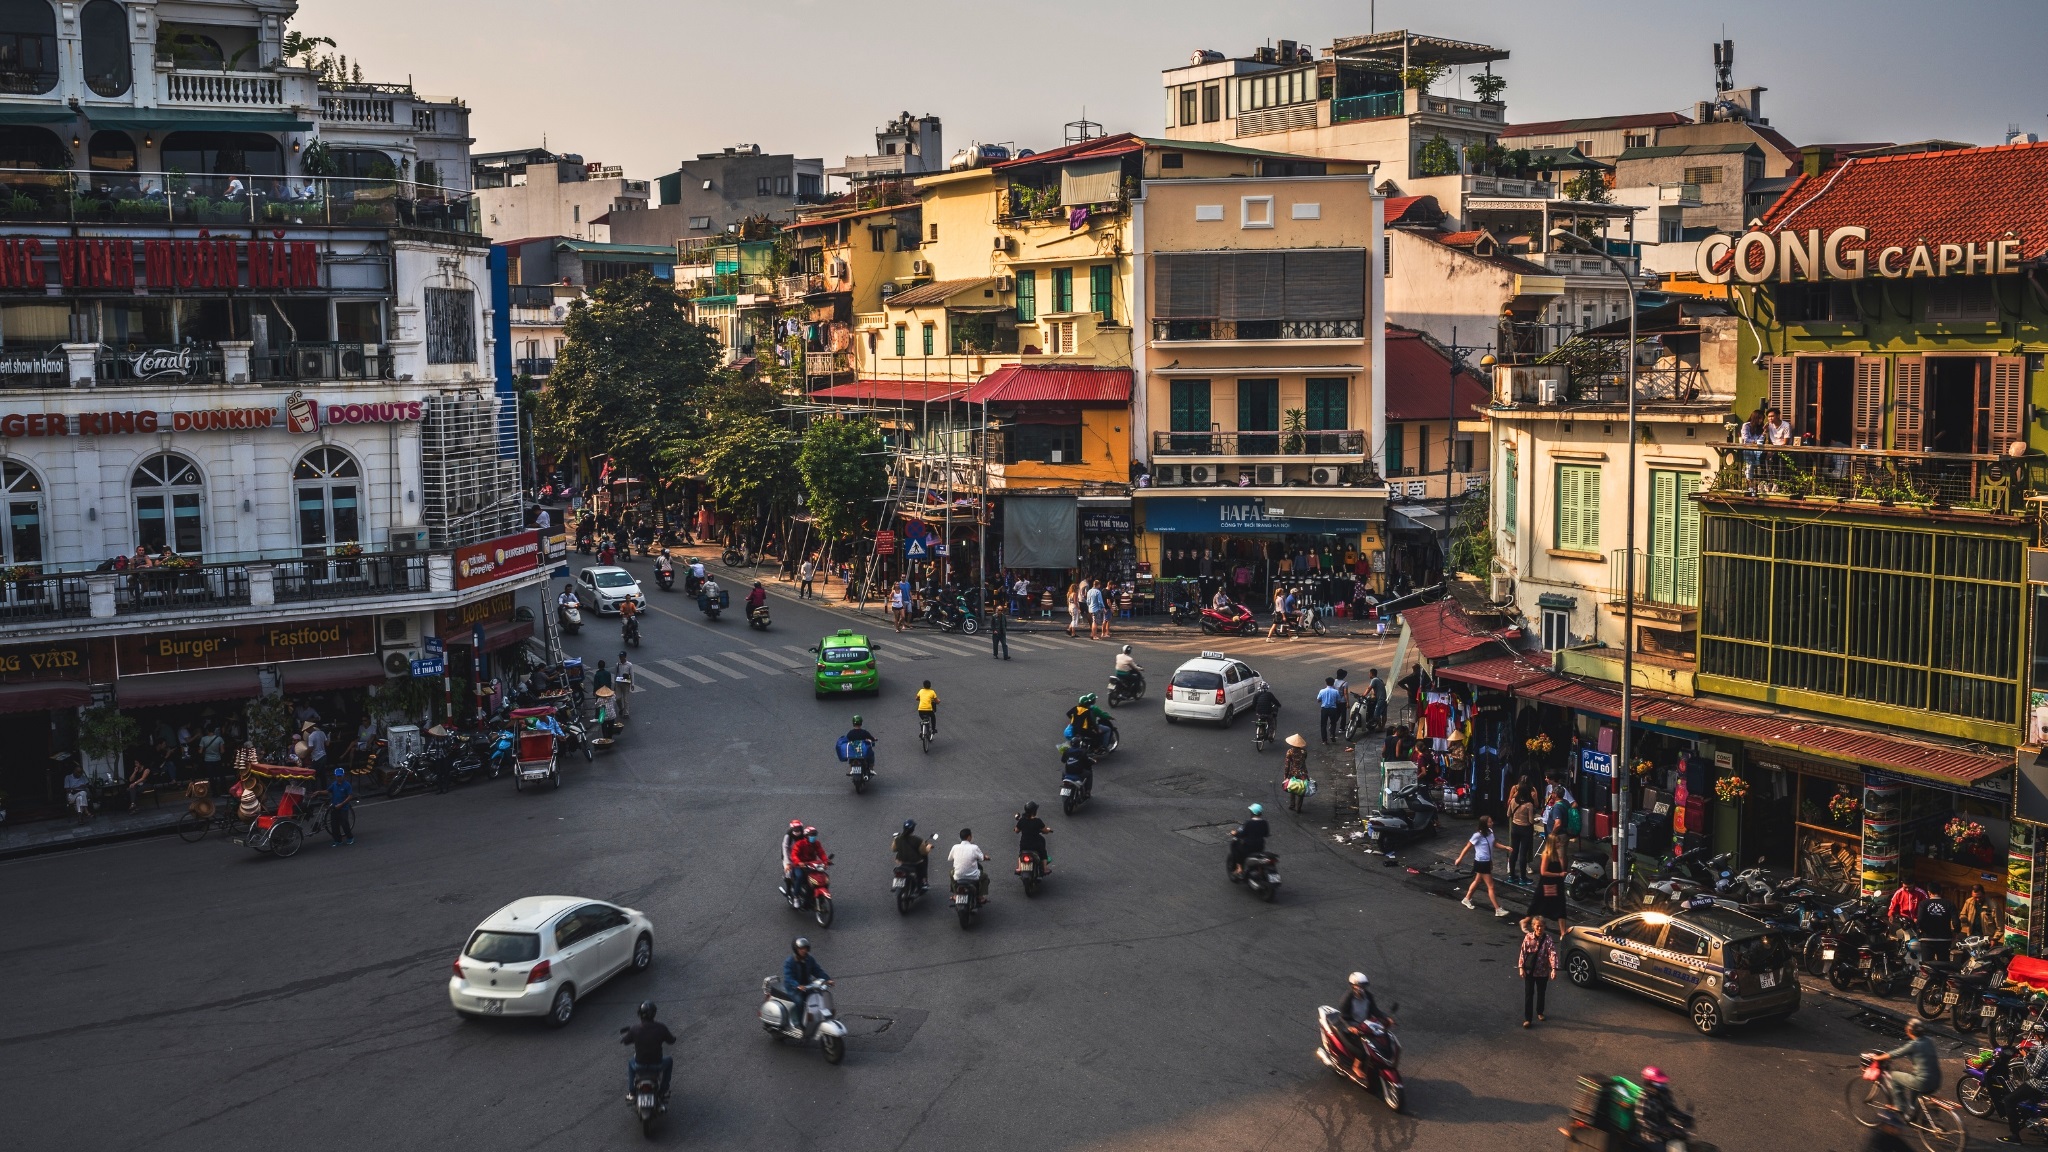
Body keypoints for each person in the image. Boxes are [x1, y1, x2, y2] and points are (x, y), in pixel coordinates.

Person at [1875, 1018, 1940, 1121]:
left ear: (1909, 1031)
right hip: (1937, 1080)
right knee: (1913, 1079)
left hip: (1923, 1082)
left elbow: (1895, 1053)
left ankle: (1900, 1107)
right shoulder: (1929, 1040)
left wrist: (1877, 1058)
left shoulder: (1913, 1045)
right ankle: (1913, 1112)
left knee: (1895, 1076)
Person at [621, 1000, 676, 1105]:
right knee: (669, 1061)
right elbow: (671, 1040)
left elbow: (626, 1041)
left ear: (640, 1014)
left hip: (639, 1065)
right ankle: (664, 1090)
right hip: (657, 1065)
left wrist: (626, 1037)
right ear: (654, 1014)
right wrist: (673, 1038)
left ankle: (632, 1092)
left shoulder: (635, 1029)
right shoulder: (661, 1028)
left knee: (630, 1063)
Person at [1454, 815, 1511, 917]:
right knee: (1491, 886)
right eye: (1489, 822)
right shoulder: (1477, 835)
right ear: (1484, 824)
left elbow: (1494, 844)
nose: (1492, 823)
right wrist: (1460, 858)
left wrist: (1505, 847)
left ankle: (1467, 899)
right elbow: (1468, 847)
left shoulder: (1490, 832)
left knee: (1477, 881)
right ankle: (1497, 909)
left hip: (1487, 861)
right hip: (1481, 862)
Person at [2001, 1029, 2048, 1143]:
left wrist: (2025, 1056)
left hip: (2041, 1085)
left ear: (2041, 1036)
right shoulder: (2043, 1048)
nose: (2034, 1037)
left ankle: (2015, 1136)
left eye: (2035, 1035)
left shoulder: (2045, 1052)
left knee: (2009, 1100)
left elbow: (2033, 1073)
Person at [1336, 971, 1383, 1081]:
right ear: (1353, 986)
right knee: (1362, 1050)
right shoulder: (1346, 999)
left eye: (1364, 986)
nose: (1362, 989)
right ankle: (1356, 1066)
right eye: (1359, 986)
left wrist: (1386, 1018)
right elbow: (1342, 1017)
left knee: (1378, 1042)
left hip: (1365, 1026)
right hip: (1350, 1028)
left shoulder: (1368, 997)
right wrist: (1350, 1027)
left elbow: (1375, 1010)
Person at [782, 937, 833, 1030]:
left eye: (805, 948)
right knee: (799, 1001)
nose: (803, 950)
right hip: (793, 988)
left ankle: (815, 1020)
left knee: (817, 997)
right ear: (796, 950)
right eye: (801, 949)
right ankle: (798, 1023)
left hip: (807, 986)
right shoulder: (790, 962)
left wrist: (827, 979)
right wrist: (797, 985)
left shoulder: (809, 959)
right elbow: (788, 977)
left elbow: (817, 971)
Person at [1635, 1067, 1694, 1146]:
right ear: (1649, 1083)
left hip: (1666, 1128)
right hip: (1651, 1135)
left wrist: (1684, 1117)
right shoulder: (1644, 1098)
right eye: (1659, 1084)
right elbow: (1643, 1120)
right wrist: (1663, 1129)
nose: (1662, 1086)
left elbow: (1671, 1109)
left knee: (1684, 1139)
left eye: (1663, 1083)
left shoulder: (1664, 1094)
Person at [1518, 918, 1556, 1027]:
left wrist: (1553, 969)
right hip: (1529, 971)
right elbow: (1523, 952)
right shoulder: (1528, 937)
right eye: (1537, 926)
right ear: (1533, 926)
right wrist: (1521, 967)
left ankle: (1540, 1012)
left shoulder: (1548, 939)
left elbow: (1552, 953)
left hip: (1542, 971)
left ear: (1544, 927)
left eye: (1541, 926)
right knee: (1529, 994)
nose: (1539, 928)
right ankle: (1528, 1019)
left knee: (1541, 992)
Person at [1531, 838, 1569, 933]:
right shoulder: (1547, 855)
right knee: (1540, 906)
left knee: (1561, 908)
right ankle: (1527, 921)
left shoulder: (1556, 854)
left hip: (1558, 884)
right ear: (1552, 844)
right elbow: (1543, 872)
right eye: (1557, 842)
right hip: (1549, 884)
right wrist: (1559, 875)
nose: (1559, 843)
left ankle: (1563, 932)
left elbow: (1562, 867)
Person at [787, 826, 829, 906]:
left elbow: (821, 853)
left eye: (814, 835)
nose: (813, 837)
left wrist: (826, 861)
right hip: (799, 866)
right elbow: (794, 855)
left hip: (812, 865)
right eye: (811, 835)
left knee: (823, 877)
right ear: (806, 835)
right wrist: (799, 862)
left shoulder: (816, 843)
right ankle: (796, 897)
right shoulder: (799, 844)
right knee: (800, 877)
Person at [1507, 778, 1537, 883]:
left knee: (1513, 851)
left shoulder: (1513, 801)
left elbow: (1508, 814)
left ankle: (1511, 875)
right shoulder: (1529, 805)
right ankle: (1523, 878)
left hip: (1515, 828)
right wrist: (1536, 821)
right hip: (1525, 829)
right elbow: (1530, 820)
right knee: (1523, 853)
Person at [949, 828, 990, 905]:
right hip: (973, 876)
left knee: (951, 873)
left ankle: (955, 894)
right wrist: (986, 857)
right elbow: (981, 857)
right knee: (985, 877)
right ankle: (980, 897)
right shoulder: (974, 847)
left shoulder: (955, 847)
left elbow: (950, 858)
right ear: (969, 837)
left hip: (958, 875)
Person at [1228, 803, 1269, 879]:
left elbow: (1242, 834)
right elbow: (1266, 834)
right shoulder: (1264, 823)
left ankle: (1239, 867)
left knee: (1235, 847)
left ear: (1252, 813)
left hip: (1248, 847)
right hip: (1260, 846)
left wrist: (1234, 833)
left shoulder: (1249, 823)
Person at [891, 819, 930, 892]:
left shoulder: (897, 839)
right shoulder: (918, 840)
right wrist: (928, 847)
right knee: (924, 859)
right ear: (913, 829)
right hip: (915, 863)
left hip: (901, 862)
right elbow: (924, 852)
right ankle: (924, 881)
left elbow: (894, 849)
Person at [1016, 800, 1053, 872]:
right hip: (1036, 845)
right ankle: (1045, 869)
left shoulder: (1022, 820)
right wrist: (1048, 830)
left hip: (1024, 845)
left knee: (1021, 853)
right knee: (1043, 853)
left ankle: (1019, 868)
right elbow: (1045, 831)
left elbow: (1017, 830)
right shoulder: (1038, 821)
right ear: (1034, 811)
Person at [1283, 735, 1310, 810]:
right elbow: (1304, 759)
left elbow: (1287, 765)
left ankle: (1292, 805)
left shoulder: (1290, 752)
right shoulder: (1304, 751)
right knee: (1301, 789)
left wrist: (1285, 776)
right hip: (1303, 773)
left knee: (1292, 788)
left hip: (1293, 773)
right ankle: (1299, 807)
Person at [1317, 677, 1344, 744]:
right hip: (1333, 709)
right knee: (1333, 723)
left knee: (1323, 724)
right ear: (1333, 683)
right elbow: (1339, 700)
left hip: (1324, 709)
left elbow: (1318, 700)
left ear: (1326, 683)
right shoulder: (1335, 691)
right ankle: (1332, 734)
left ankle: (1324, 740)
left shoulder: (1322, 691)